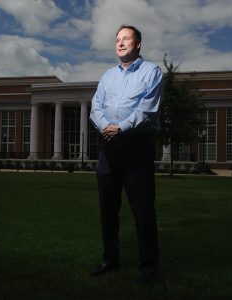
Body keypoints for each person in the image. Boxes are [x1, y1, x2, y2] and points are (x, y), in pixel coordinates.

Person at [89, 25, 163, 284]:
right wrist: (105, 127)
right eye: (117, 39)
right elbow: (95, 107)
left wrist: (120, 128)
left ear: (138, 43)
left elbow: (147, 110)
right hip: (108, 150)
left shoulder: (152, 72)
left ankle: (148, 269)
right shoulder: (107, 76)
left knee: (143, 210)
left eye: (126, 39)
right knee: (107, 210)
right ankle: (110, 260)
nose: (120, 43)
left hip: (136, 148)